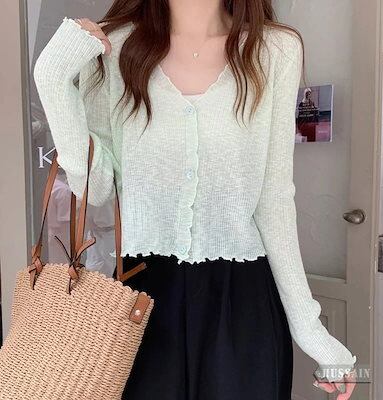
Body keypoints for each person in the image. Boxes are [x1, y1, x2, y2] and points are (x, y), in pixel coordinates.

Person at [33, 1, 357, 399]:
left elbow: (274, 199)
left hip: (243, 303)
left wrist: (311, 330)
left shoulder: (274, 50)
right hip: (140, 301)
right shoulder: (115, 48)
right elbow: (96, 187)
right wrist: (51, 76)